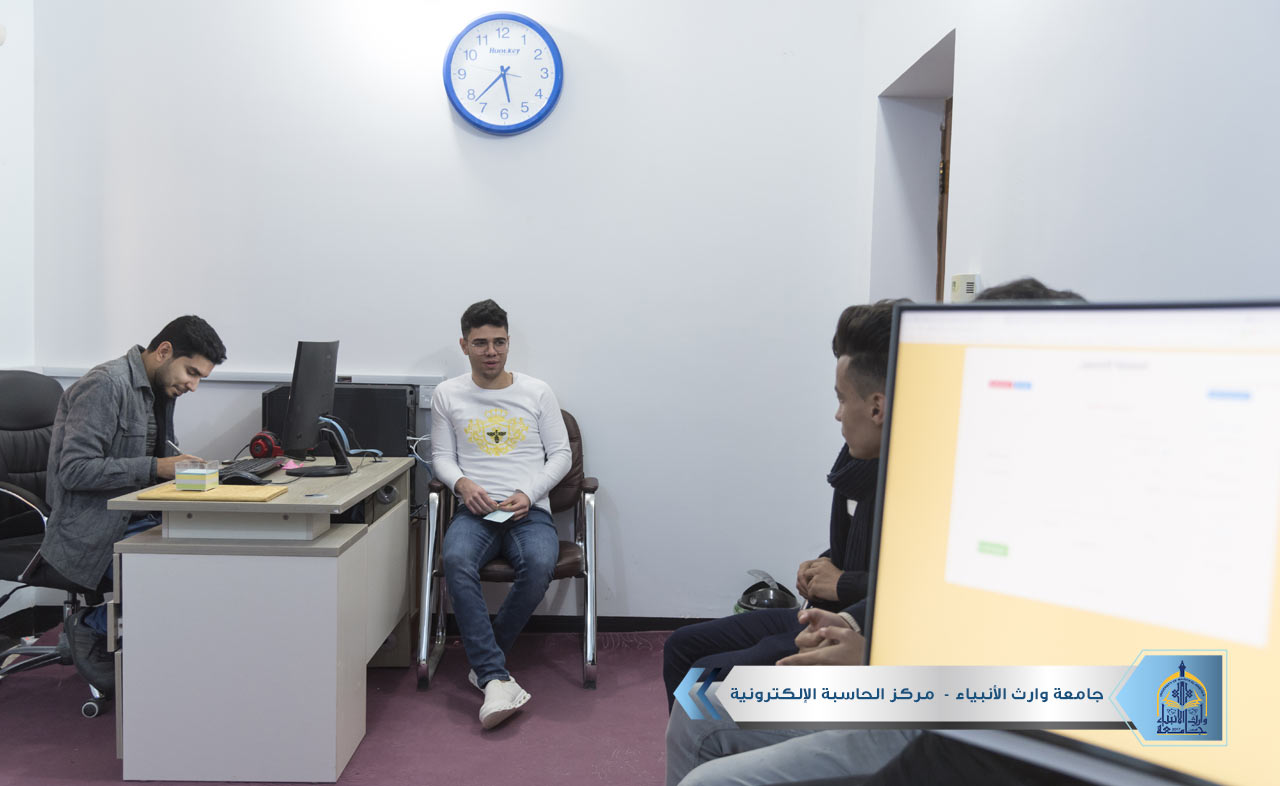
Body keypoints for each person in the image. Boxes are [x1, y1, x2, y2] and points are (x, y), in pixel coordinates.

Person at [662, 300, 903, 715]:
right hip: (826, 610)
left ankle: (713, 748)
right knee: (682, 646)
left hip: (856, 628)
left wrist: (843, 584)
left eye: (842, 400)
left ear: (877, 408)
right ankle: (698, 750)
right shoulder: (856, 465)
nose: (837, 415)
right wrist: (823, 565)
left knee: (706, 680)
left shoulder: (918, 485)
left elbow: (910, 591)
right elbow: (857, 553)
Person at [44, 315, 227, 695]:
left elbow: (153, 466)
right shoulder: (105, 385)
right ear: (164, 351)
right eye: (191, 372)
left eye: (200, 378)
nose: (193, 385)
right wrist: (157, 467)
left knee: (220, 564)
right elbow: (74, 471)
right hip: (91, 528)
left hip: (137, 517)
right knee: (182, 579)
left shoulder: (160, 390)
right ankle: (90, 624)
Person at [431, 299, 572, 729]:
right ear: (464, 345)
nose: (491, 351)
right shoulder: (447, 394)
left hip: (528, 511)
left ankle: (486, 665)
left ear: (509, 342)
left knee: (541, 563)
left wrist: (529, 493)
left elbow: (561, 455)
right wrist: (462, 484)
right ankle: (495, 676)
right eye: (480, 343)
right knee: (456, 559)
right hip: (475, 511)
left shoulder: (537, 391)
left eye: (499, 342)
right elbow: (442, 457)